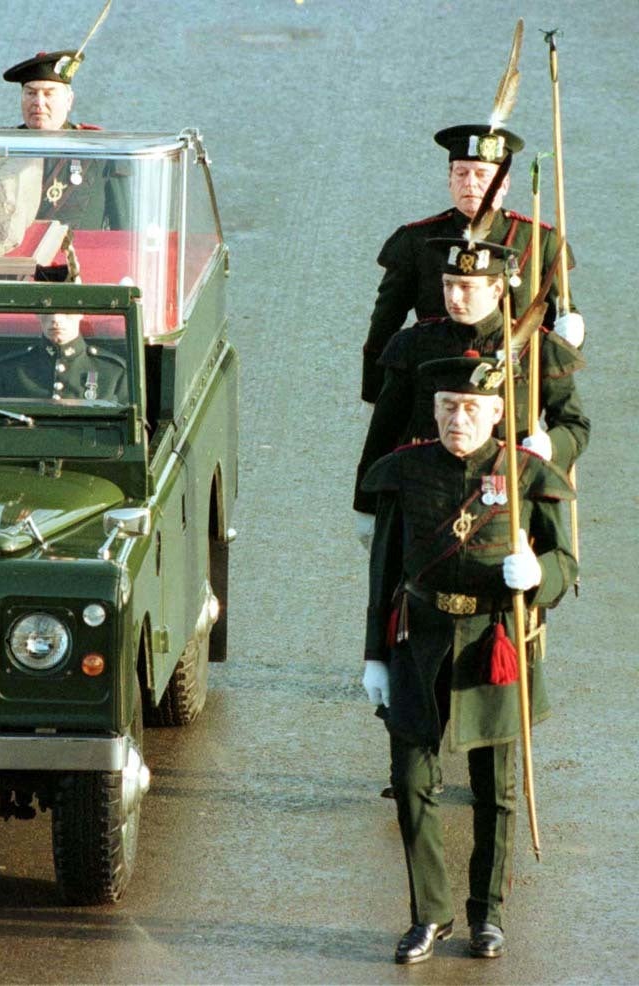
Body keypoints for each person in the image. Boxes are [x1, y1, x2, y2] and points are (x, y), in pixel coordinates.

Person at [360, 352, 576, 963]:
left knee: (495, 790)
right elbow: (383, 575)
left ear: (497, 413)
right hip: (419, 641)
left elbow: (567, 563)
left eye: (473, 408)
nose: (460, 418)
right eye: (450, 407)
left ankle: (489, 916)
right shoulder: (403, 473)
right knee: (411, 782)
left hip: (494, 642)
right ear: (435, 411)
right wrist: (374, 656)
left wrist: (538, 574)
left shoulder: (527, 476)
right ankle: (429, 915)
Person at [354, 238, 588, 540]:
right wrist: (366, 503)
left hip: (505, 498)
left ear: (496, 290)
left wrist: (550, 445)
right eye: (448, 284)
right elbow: (384, 430)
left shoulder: (539, 348)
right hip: (425, 496)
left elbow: (574, 425)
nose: (454, 296)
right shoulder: (412, 345)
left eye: (466, 287)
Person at [360, 124, 583, 403]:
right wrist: (374, 395)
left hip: (512, 389)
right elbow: (384, 323)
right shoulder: (416, 240)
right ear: (449, 180)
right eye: (461, 173)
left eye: (482, 175)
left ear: (504, 184)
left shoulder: (539, 240)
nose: (470, 184)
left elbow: (561, 317)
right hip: (435, 387)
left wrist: (572, 332)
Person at [3, 49, 127, 230]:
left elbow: (125, 228)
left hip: (77, 256)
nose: (38, 102)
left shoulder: (99, 150)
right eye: (30, 93)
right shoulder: (2, 148)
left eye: (48, 94)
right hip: (16, 256)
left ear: (69, 100)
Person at [0, 263, 128, 400]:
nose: (55, 318)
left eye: (65, 309)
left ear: (81, 311)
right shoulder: (8, 370)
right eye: (48, 309)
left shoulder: (113, 371)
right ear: (37, 313)